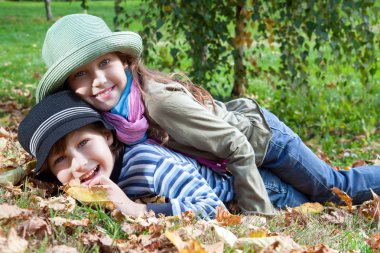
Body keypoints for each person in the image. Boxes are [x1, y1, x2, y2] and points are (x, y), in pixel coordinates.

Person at [35, 14, 380, 215]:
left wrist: (254, 217)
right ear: (68, 84)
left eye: (105, 63)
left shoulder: (158, 104)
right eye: (80, 73)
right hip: (222, 158)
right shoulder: (107, 113)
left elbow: (237, 146)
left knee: (333, 189)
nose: (97, 80)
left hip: (260, 142)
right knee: (307, 202)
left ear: (125, 60)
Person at [18, 90, 309, 219]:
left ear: (107, 136)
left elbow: (211, 207)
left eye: (83, 143)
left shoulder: (146, 162)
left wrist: (138, 210)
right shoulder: (83, 183)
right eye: (60, 160)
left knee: (331, 194)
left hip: (260, 187)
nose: (79, 164)